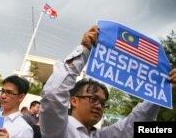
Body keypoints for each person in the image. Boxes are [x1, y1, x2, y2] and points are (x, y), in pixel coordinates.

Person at [39, 25, 176, 138]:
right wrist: (85, 50)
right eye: (93, 99)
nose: (99, 106)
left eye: (103, 103)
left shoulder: (100, 135)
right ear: (73, 101)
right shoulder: (58, 128)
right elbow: (52, 95)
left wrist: (163, 87)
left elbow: (135, 123)